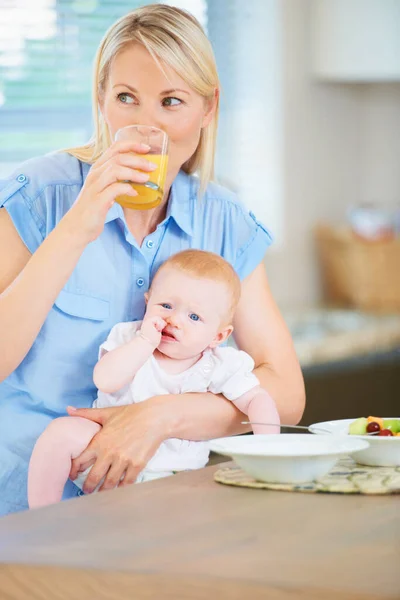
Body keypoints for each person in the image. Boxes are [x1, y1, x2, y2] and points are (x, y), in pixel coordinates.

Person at [0, 4, 305, 516]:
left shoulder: (224, 222)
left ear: (208, 109)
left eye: (171, 102)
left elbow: (286, 392)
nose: (145, 126)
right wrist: (76, 227)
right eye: (126, 98)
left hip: (162, 517)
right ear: (101, 100)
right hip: (23, 514)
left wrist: (162, 416)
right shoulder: (39, 197)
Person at [28, 250, 280, 508]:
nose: (174, 320)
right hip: (102, 453)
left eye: (194, 317)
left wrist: (268, 447)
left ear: (218, 336)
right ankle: (42, 513)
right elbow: (105, 380)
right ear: (147, 302)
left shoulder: (219, 363)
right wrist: (145, 342)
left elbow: (256, 399)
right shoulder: (131, 337)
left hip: (175, 473)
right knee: (61, 433)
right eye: (166, 306)